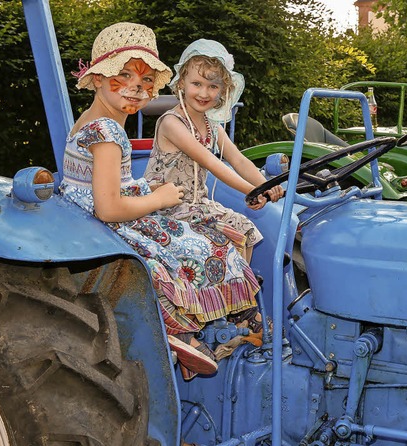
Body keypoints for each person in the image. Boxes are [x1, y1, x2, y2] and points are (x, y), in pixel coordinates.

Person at [59, 23, 261, 381]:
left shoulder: (102, 123)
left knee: (198, 242)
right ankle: (177, 331)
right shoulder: (106, 131)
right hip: (105, 218)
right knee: (191, 248)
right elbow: (108, 208)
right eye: (124, 76)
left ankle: (205, 326)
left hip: (111, 207)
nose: (137, 89)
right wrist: (159, 199)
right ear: (98, 78)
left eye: (147, 81)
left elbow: (233, 158)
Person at [142, 39, 284, 266]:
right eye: (196, 84)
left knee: (244, 230)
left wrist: (269, 185)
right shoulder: (172, 123)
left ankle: (240, 293)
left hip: (197, 206)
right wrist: (253, 190)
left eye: (213, 86)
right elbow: (210, 162)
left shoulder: (213, 127)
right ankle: (227, 290)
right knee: (219, 242)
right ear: (181, 84)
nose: (204, 93)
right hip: (164, 206)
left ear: (223, 90)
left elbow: (238, 159)